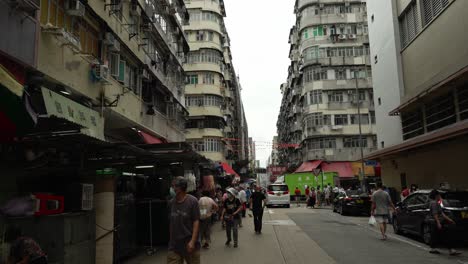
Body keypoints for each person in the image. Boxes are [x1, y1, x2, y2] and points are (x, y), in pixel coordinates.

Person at [168, 177, 200, 264]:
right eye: (172, 186)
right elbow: (171, 223)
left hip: (189, 244)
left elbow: (196, 221)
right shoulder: (171, 203)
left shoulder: (193, 201)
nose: (173, 188)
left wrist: (192, 241)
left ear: (182, 187)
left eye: (175, 186)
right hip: (174, 246)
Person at [428, 190, 460, 255]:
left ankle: (433, 249)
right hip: (437, 222)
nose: (440, 196)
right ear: (436, 196)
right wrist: (438, 223)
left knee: (436, 235)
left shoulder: (436, 203)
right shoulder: (434, 203)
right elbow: (435, 214)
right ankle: (451, 250)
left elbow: (442, 214)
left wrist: (449, 220)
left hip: (438, 222)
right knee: (446, 235)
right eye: (439, 195)